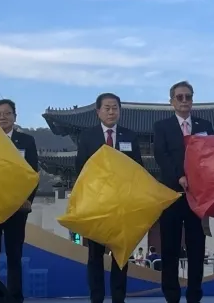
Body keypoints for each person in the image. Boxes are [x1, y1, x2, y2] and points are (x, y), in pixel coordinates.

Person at [75, 92, 143, 303]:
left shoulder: (130, 136)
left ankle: (118, 298)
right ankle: (96, 297)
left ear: (119, 111)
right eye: (107, 108)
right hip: (98, 205)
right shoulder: (88, 137)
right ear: (98, 112)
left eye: (115, 108)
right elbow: (80, 168)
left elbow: (138, 168)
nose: (111, 112)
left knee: (120, 256)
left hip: (122, 205)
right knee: (95, 255)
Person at [153, 80, 214, 303]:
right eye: (179, 97)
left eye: (188, 96)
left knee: (196, 247)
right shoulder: (162, 127)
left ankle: (194, 295)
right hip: (171, 195)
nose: (184, 100)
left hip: (198, 196)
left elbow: (211, 155)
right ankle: (171, 296)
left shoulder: (204, 125)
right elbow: (161, 156)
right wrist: (179, 177)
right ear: (172, 101)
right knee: (170, 248)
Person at [0, 98, 39, 303]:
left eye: (7, 113)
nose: (2, 117)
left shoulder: (26, 141)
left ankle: (15, 298)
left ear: (15, 116)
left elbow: (33, 173)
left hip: (17, 206)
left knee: (14, 255)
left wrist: (28, 200)